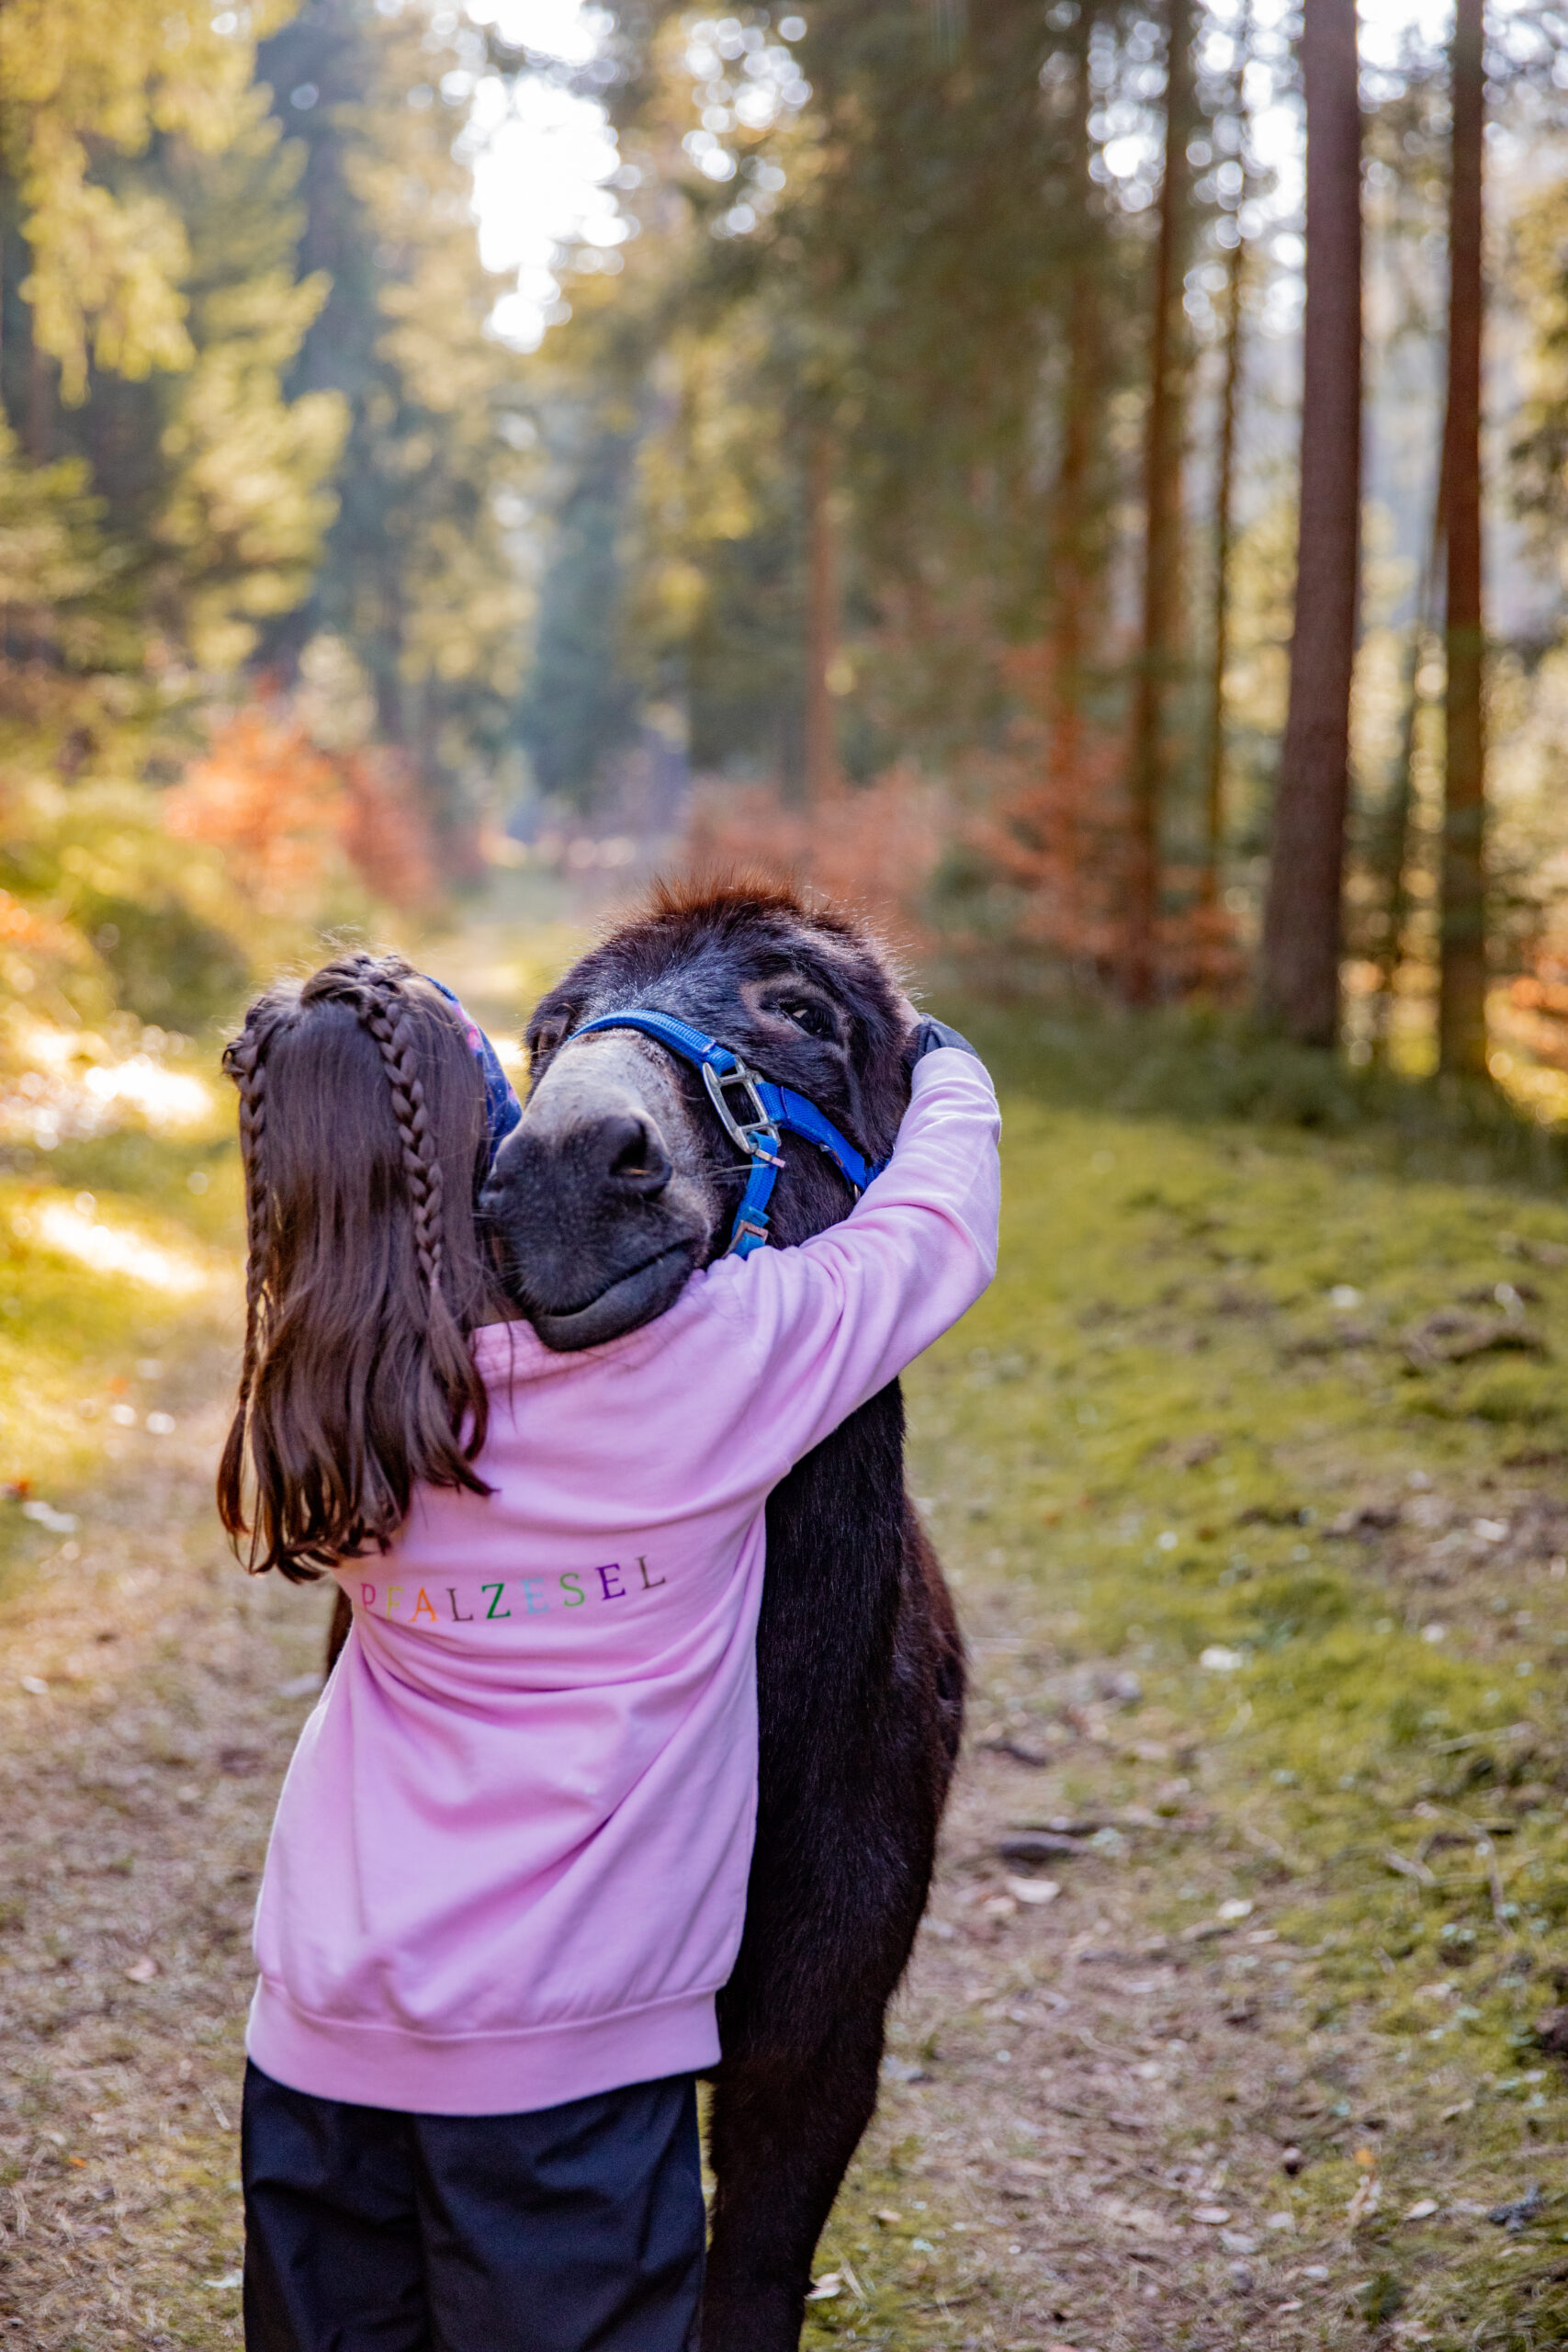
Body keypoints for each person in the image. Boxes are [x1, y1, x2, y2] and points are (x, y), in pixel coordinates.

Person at [220, 948, 1000, 2352]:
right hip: (565, 2074)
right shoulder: (691, 1386)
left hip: (317, 2039)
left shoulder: (330, 1417)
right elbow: (931, 1240)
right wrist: (942, 1067)